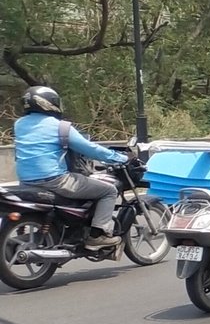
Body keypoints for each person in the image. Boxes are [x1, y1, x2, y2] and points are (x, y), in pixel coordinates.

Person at [11, 86, 128, 249]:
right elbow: (89, 149)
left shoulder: (19, 125)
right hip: (55, 181)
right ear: (48, 103)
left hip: (26, 182)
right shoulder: (59, 126)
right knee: (108, 191)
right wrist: (120, 158)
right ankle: (97, 236)